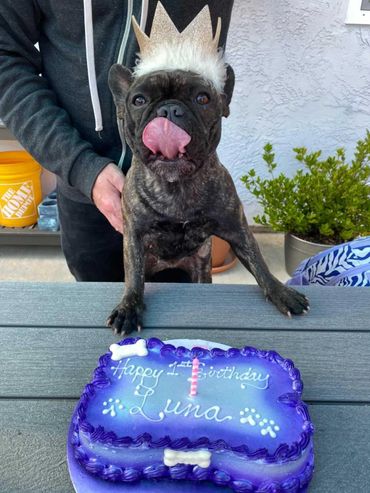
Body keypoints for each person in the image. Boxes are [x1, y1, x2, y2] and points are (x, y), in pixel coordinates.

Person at [0, 1, 234, 281]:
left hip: (186, 195)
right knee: (102, 313)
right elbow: (5, 59)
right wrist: (78, 165)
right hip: (85, 194)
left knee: (181, 315)